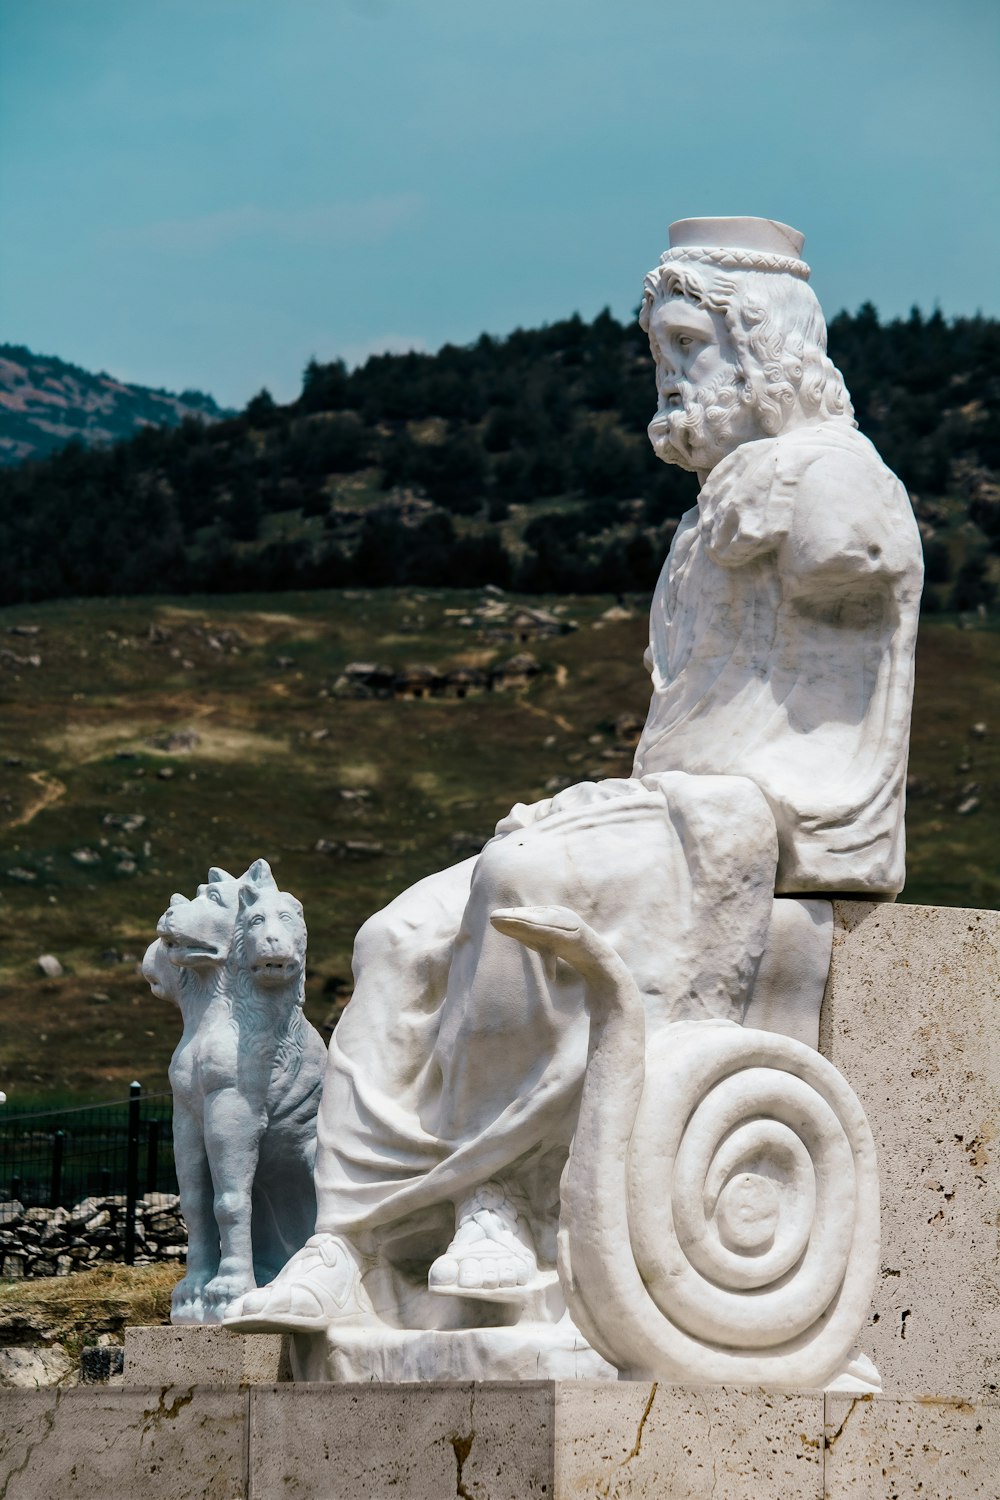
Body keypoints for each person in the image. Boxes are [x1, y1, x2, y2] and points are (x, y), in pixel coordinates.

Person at [228, 218, 923, 1336]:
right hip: (679, 803)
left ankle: (493, 1201)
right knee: (394, 938)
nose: (671, 379)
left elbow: (854, 559)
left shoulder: (832, 474)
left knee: (528, 883)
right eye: (661, 355)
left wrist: (787, 491)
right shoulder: (715, 510)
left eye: (690, 349)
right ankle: (345, 1244)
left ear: (768, 354)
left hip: (779, 822)